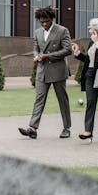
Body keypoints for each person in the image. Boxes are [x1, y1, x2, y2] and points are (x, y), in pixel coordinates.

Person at [19, 7, 72, 139]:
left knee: (62, 100)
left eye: (46, 21)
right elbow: (36, 49)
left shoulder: (62, 30)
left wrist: (47, 56)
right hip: (42, 71)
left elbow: (67, 50)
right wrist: (36, 56)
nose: (44, 24)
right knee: (39, 99)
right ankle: (33, 128)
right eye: (41, 22)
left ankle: (66, 128)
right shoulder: (37, 32)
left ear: (51, 19)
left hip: (58, 71)